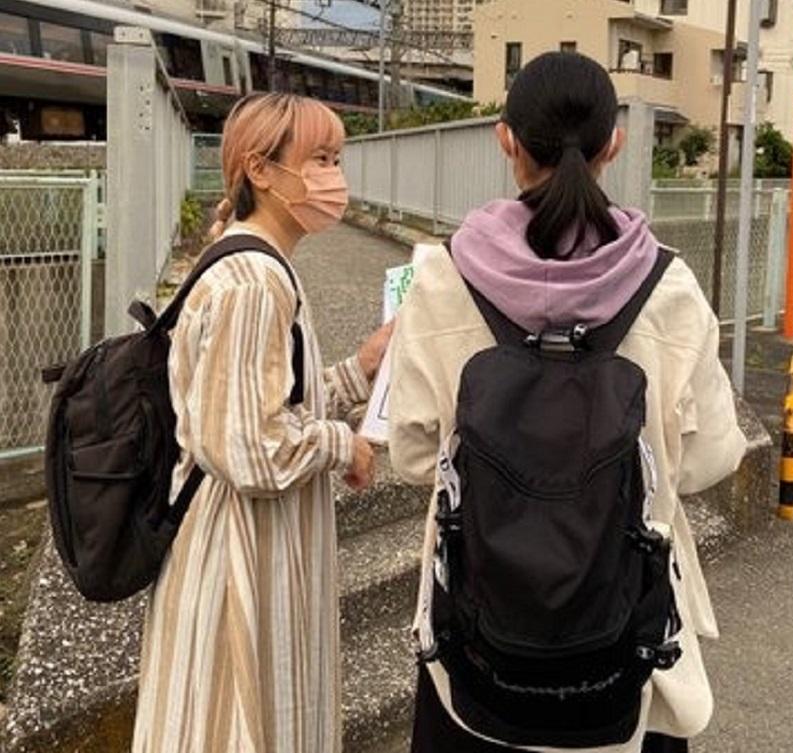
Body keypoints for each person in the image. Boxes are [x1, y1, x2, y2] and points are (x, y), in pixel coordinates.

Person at [385, 53, 747, 752]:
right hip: (624, 638)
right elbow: (709, 459)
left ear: (506, 140)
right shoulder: (668, 284)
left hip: (476, 633)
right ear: (616, 144)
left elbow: (413, 455)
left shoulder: (441, 276)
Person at [131, 93, 392, 753]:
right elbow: (251, 446)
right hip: (237, 555)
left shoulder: (254, 262)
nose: (334, 177)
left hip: (245, 541)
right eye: (320, 159)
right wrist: (345, 445)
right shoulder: (254, 282)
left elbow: (263, 402)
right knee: (235, 721)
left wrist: (359, 369)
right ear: (261, 169)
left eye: (338, 159)